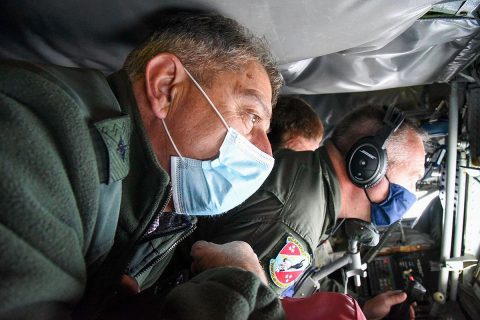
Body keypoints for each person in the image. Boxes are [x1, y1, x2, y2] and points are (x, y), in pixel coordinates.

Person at [0, 11, 286, 319]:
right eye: (251, 116)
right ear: (165, 88)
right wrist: (237, 285)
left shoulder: (167, 210)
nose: (266, 152)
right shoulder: (38, 125)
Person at [186, 105, 427, 320]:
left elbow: (298, 279)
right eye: (414, 179)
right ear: (368, 164)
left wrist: (363, 307)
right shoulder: (294, 219)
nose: (413, 194)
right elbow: (230, 307)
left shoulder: (311, 185)